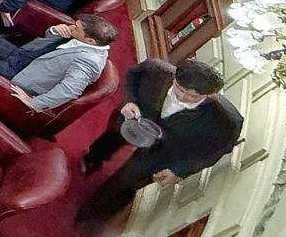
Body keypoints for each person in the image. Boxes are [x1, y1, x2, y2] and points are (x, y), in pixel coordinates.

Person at [78, 58, 243, 228]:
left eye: (192, 96)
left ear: (209, 95)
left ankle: (90, 217)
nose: (182, 97)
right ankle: (92, 159)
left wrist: (179, 170)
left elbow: (215, 150)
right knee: (111, 138)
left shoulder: (226, 121)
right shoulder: (156, 69)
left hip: (166, 150)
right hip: (134, 119)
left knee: (126, 183)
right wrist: (130, 101)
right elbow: (132, 75)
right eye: (179, 88)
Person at [0, 15, 117, 109]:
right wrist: (54, 31)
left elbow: (69, 91)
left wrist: (34, 103)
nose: (72, 28)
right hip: (21, 55)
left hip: (19, 73)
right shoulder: (82, 38)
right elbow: (46, 43)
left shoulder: (88, 63)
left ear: (90, 41)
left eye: (76, 29)